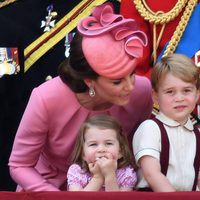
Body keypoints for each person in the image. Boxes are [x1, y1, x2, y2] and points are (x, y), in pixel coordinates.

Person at [8, 2, 153, 191]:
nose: (130, 86)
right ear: (89, 81)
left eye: (132, 73)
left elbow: (140, 149)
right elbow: (19, 165)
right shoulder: (46, 97)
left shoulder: (141, 91)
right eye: (117, 81)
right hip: (49, 187)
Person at [133, 53, 200, 192]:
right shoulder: (150, 128)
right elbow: (152, 174)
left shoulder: (197, 134)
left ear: (197, 94)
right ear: (156, 96)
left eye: (187, 90)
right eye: (170, 92)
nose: (179, 98)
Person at [67, 114, 137, 191]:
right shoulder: (77, 171)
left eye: (108, 143)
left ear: (121, 151)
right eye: (93, 144)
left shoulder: (126, 174)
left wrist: (110, 175)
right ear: (83, 153)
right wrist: (98, 177)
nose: (101, 149)